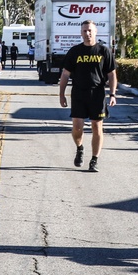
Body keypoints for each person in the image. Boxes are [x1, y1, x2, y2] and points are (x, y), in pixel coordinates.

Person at [58, 20, 117, 172]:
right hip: (78, 93)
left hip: (97, 94)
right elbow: (65, 74)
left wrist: (112, 94)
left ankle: (94, 160)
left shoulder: (104, 51)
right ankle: (80, 148)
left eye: (90, 30)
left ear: (96, 32)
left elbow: (111, 75)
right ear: (81, 33)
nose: (87, 33)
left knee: (97, 127)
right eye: (84, 31)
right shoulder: (75, 51)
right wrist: (61, 95)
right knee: (77, 127)